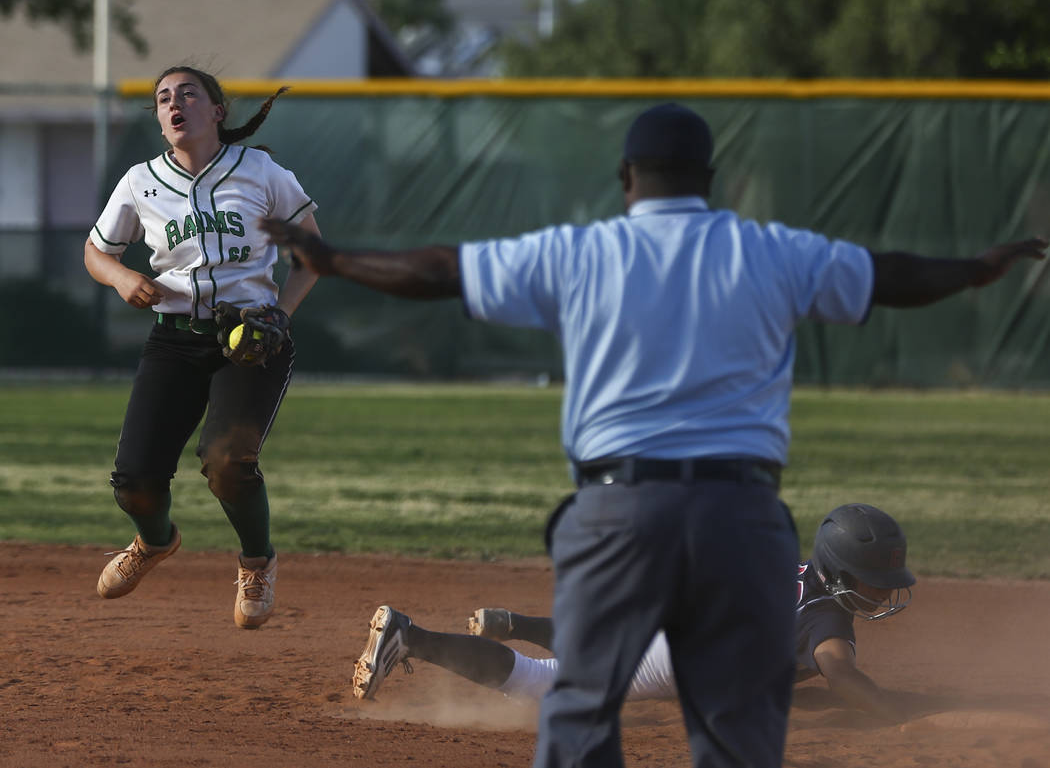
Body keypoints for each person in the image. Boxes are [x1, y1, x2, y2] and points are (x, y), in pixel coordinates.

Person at [260, 102, 1045, 767]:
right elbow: (890, 275)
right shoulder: (768, 250)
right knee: (735, 729)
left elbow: (442, 269)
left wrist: (335, 260)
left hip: (618, 508)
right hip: (740, 515)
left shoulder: (581, 250)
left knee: (577, 709)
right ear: (710, 181)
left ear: (627, 180)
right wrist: (975, 269)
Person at [84, 65, 321, 629]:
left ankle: (257, 564)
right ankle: (155, 541)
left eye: (188, 93)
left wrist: (281, 315)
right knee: (135, 482)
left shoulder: (258, 170)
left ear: (217, 111)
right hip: (174, 340)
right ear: (161, 120)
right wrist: (120, 278)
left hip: (253, 340)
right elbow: (97, 252)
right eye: (164, 98)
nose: (174, 103)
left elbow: (313, 249)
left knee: (227, 464)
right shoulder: (141, 182)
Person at [352, 503, 914, 723]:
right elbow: (839, 669)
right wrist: (889, 709)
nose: (884, 592)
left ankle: (518, 624)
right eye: (877, 580)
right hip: (679, 649)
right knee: (540, 685)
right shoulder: (829, 620)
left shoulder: (796, 569)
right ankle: (411, 638)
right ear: (842, 574)